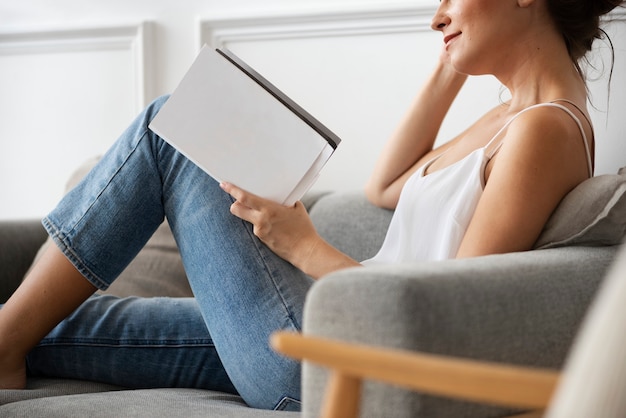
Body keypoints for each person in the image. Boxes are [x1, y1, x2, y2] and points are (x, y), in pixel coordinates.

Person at [0, 0, 622, 411]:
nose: (437, 15)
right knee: (74, 324)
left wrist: (302, 245)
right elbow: (384, 188)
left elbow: (449, 314)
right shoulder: (508, 117)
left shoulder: (546, 130)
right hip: (319, 338)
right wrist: (453, 58)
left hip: (344, 364)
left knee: (172, 127)